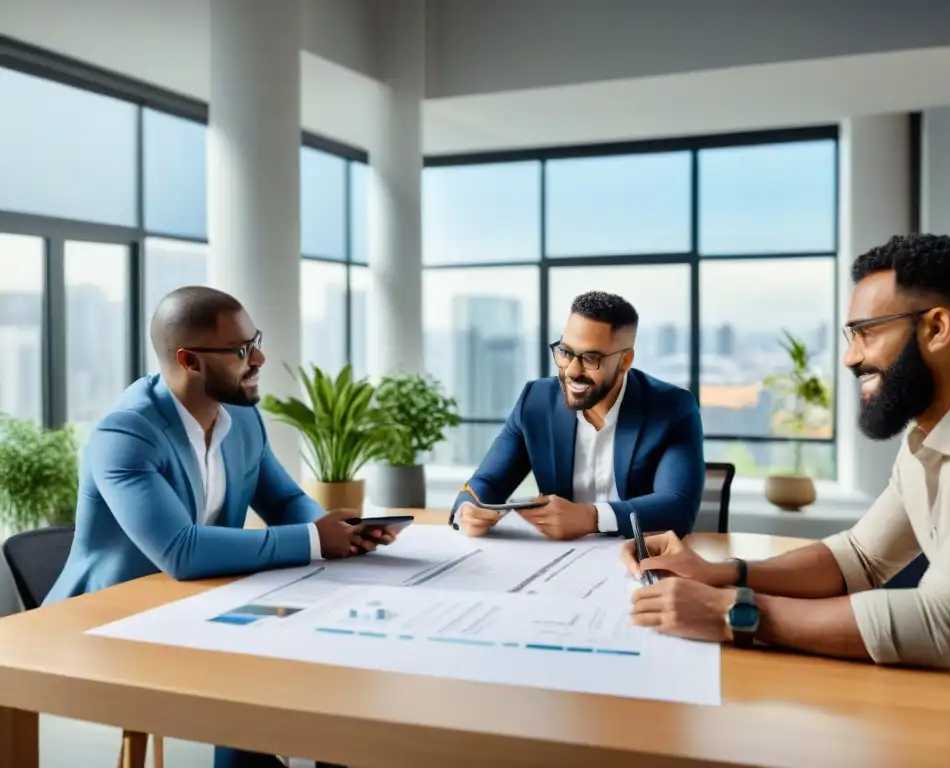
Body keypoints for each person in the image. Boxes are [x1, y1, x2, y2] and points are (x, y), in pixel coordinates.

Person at [623, 233, 950, 670]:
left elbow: (939, 626)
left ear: (936, 328)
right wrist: (717, 573)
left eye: (865, 333)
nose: (851, 358)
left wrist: (731, 611)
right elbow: (860, 557)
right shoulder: (929, 438)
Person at [45, 286, 397, 767]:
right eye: (241, 350)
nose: (260, 357)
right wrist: (316, 540)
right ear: (189, 360)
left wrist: (335, 526)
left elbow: (283, 498)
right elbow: (182, 551)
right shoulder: (124, 434)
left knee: (335, 663)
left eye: (256, 340)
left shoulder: (240, 418)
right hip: (113, 621)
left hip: (200, 601)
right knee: (258, 676)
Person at [451, 290, 705, 540]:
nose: (572, 370)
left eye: (591, 357)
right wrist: (468, 509)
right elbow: (488, 481)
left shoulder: (672, 407)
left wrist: (590, 517)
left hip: (640, 560)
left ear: (625, 361)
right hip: (557, 564)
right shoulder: (536, 401)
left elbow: (677, 508)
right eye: (565, 352)